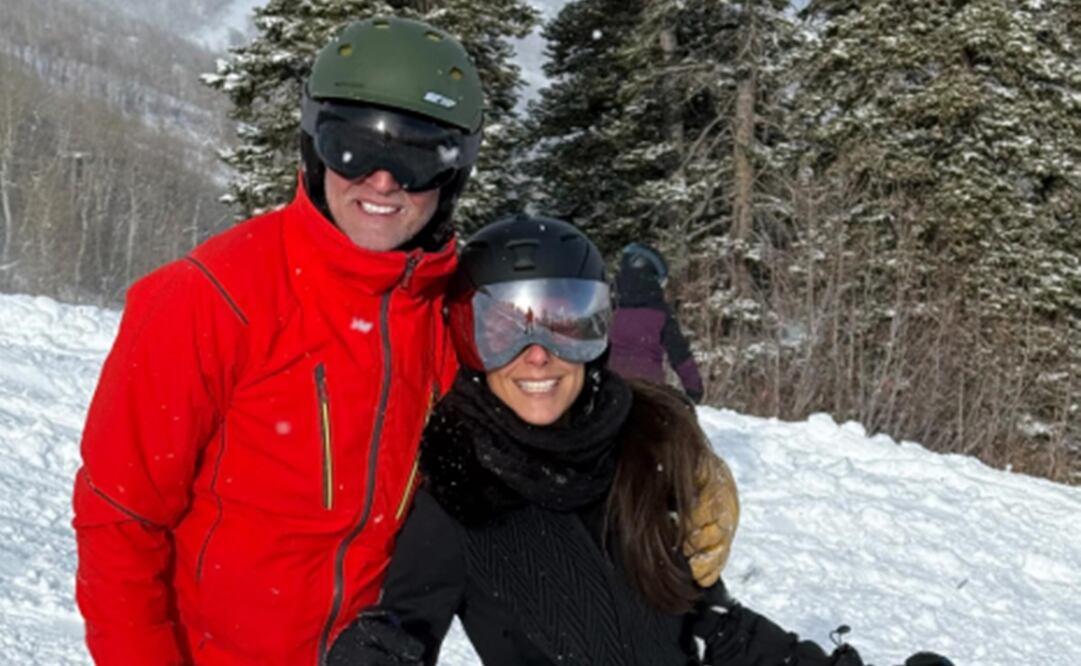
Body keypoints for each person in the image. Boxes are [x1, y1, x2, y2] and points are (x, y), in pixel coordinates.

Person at [71, 17, 734, 666]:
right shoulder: (210, 298)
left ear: (455, 171)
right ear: (313, 143)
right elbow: (119, 520)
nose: (382, 180)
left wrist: (670, 447)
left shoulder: (458, 310)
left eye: (416, 154)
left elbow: (554, 406)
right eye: (352, 147)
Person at [327, 215, 953, 666]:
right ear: (466, 348)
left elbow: (709, 627)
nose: (538, 358)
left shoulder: (640, 451)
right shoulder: (463, 490)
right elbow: (401, 632)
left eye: (565, 328)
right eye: (501, 335)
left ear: (598, 332)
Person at [608, 241, 705, 403]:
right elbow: (679, 353)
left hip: (610, 387)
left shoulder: (605, 304)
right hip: (648, 390)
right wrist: (694, 389)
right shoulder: (661, 312)